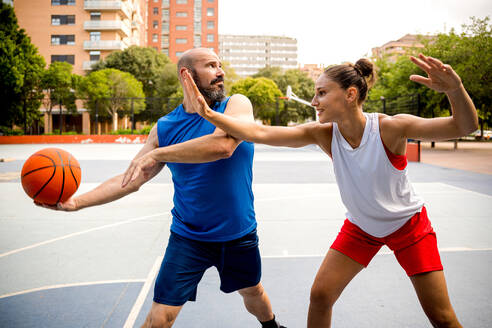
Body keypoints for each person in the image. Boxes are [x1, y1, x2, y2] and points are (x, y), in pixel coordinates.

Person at [183, 54, 477, 328]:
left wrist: (455, 89)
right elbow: (258, 132)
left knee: (442, 318)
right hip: (362, 228)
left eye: (322, 93)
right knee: (321, 296)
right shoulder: (324, 133)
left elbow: (463, 125)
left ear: (350, 94)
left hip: (409, 227)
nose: (314, 101)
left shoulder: (390, 128)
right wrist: (208, 113)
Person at [38, 48, 286, 328]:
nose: (221, 72)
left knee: (253, 292)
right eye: (211, 65)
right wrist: (76, 203)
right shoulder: (165, 127)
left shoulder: (236, 106)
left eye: (220, 65)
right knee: (159, 319)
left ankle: (272, 326)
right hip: (188, 238)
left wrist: (158, 154)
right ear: (186, 75)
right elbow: (132, 177)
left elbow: (223, 146)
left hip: (238, 233)